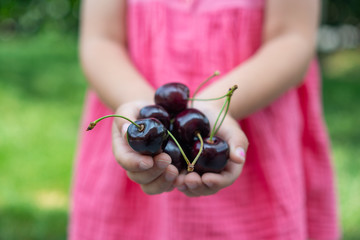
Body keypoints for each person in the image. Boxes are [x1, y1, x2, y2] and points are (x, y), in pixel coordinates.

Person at [69, 0, 340, 239]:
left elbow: (293, 40)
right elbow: (100, 40)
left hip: (257, 140)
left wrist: (216, 105)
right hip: (131, 108)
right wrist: (145, 112)